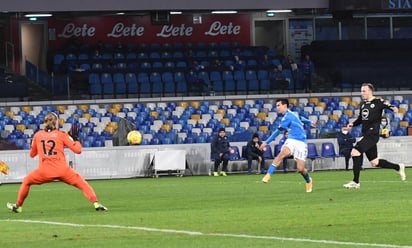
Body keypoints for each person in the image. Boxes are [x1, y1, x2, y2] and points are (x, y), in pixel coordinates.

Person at [6, 112, 107, 213]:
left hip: (44, 171)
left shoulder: (38, 135)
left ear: (44, 123)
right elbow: (78, 150)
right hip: (62, 170)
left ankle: (18, 206)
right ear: (56, 123)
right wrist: (75, 139)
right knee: (82, 184)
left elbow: (32, 154)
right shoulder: (62, 135)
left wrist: (37, 146)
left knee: (27, 181)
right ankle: (96, 204)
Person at [343, 83, 406, 189]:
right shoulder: (363, 104)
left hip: (372, 135)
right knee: (375, 162)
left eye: (364, 91)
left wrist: (393, 108)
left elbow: (388, 105)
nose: (361, 93)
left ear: (370, 91)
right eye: (361, 91)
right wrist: (352, 124)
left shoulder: (378, 101)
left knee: (355, 152)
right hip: (366, 134)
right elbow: (360, 119)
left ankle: (356, 182)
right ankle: (398, 167)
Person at [260, 98, 316, 192]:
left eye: (278, 105)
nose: (277, 107)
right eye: (276, 105)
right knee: (282, 153)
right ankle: (268, 174)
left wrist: (266, 142)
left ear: (285, 106)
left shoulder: (288, 117)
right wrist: (309, 122)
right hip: (291, 140)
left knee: (300, 168)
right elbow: (301, 118)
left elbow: (278, 132)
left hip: (301, 142)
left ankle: (308, 180)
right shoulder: (292, 114)